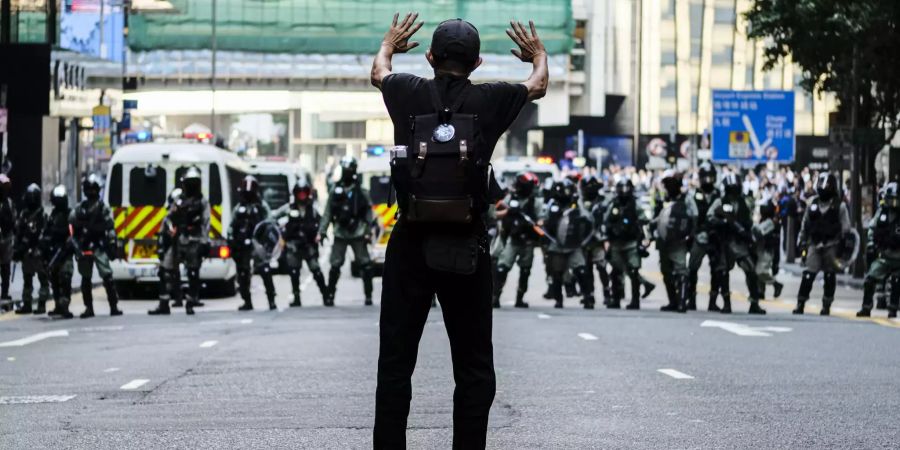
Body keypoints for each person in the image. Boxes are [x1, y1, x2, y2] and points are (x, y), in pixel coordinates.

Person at [370, 13, 546, 449]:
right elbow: (538, 84)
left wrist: (390, 43)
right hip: (466, 245)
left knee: (395, 365)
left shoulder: (406, 90)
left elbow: (379, 72)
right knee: (472, 367)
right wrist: (537, 54)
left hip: (410, 240)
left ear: (430, 56)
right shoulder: (491, 99)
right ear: (478, 62)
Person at [318, 155, 375, 306]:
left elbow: (369, 212)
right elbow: (328, 213)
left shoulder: (361, 191)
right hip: (340, 233)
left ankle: (368, 296)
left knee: (365, 264)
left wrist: (368, 230)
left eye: (350, 169)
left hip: (358, 232)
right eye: (345, 169)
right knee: (335, 265)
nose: (347, 172)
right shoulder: (335, 190)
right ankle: (330, 296)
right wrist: (322, 231)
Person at [707, 173, 766, 315]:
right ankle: (726, 303)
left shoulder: (744, 202)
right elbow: (710, 217)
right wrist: (724, 222)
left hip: (740, 243)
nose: (733, 191)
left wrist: (746, 232)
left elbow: (749, 220)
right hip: (725, 241)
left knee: (750, 271)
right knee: (722, 272)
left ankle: (754, 303)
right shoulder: (720, 202)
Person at [794, 173, 850, 316]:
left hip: (831, 244)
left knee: (830, 276)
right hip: (814, 244)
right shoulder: (812, 203)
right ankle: (800, 303)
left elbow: (846, 229)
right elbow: (805, 225)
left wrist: (843, 250)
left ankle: (826, 304)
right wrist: (802, 242)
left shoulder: (840, 206)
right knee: (808, 274)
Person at [72, 173, 121, 318]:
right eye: (89, 189)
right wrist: (77, 245)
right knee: (85, 278)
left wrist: (112, 243)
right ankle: (89, 308)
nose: (92, 192)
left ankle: (113, 306)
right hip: (85, 246)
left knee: (107, 276)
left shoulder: (103, 208)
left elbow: (110, 227)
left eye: (94, 189)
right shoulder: (80, 208)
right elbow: (73, 226)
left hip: (99, 246)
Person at [543, 178, 594, 309]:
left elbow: (587, 220)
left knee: (581, 270)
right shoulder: (552, 205)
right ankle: (558, 299)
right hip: (556, 244)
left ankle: (588, 297)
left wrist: (583, 239)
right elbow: (546, 224)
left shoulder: (576, 204)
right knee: (557, 273)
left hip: (574, 244)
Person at [492, 172, 541, 308]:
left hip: (527, 242)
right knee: (502, 268)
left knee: (525, 271)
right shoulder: (510, 198)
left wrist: (537, 223)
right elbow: (494, 214)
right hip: (511, 240)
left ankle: (520, 298)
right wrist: (508, 212)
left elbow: (542, 219)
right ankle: (495, 297)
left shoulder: (535, 201)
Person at [229, 175, 276, 311]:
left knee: (265, 270)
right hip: (243, 245)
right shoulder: (239, 208)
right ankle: (247, 301)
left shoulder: (262, 206)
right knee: (243, 273)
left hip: (258, 244)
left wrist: (265, 240)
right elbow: (231, 226)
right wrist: (232, 240)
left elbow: (270, 222)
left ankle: (271, 300)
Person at [604, 178, 651, 310]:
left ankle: (635, 300)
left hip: (631, 243)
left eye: (626, 188)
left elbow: (644, 222)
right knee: (615, 272)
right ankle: (616, 299)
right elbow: (606, 222)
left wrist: (645, 239)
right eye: (621, 188)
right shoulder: (613, 204)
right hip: (616, 243)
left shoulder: (635, 205)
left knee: (633, 271)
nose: (624, 191)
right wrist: (607, 238)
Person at [652, 171, 695, 312]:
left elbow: (694, 217)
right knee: (666, 271)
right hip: (663, 241)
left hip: (679, 240)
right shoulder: (662, 201)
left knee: (681, 270)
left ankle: (682, 301)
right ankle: (673, 301)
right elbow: (657, 219)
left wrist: (690, 236)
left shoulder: (686, 199)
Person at [280, 179, 328, 307]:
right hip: (294, 246)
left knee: (316, 270)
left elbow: (322, 222)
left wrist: (320, 235)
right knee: (294, 272)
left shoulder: (313, 210)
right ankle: (296, 298)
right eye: (299, 192)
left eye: (304, 192)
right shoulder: (288, 208)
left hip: (309, 246)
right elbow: (274, 217)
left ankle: (326, 295)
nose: (302, 195)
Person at [858, 182, 900, 318]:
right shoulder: (882, 212)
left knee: (896, 281)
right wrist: (872, 244)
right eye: (891, 199)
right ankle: (866, 307)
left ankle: (893, 308)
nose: (894, 203)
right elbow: (872, 228)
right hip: (884, 257)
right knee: (870, 279)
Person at [686, 162, 722, 311]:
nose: (708, 180)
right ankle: (691, 299)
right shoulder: (693, 195)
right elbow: (690, 216)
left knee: (717, 270)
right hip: (698, 236)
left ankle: (713, 301)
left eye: (710, 177)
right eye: (705, 177)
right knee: (692, 269)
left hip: (715, 237)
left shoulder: (719, 195)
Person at [13, 184, 49, 314]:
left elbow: (43, 233)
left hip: (38, 251)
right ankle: (27, 304)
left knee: (43, 279)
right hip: (27, 252)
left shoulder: (42, 215)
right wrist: (17, 248)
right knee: (27, 279)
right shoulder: (24, 214)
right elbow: (19, 232)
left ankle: (42, 304)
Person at [149, 188, 185, 315]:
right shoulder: (180, 215)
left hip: (173, 248)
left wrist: (162, 249)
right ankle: (179, 298)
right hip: (177, 248)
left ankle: (164, 305)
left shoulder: (173, 217)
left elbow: (169, 233)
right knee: (175, 273)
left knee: (164, 273)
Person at [42, 185, 75, 319]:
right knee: (54, 279)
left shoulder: (70, 214)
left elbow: (73, 232)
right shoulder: (52, 216)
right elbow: (47, 232)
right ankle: (57, 305)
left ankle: (65, 306)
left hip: (65, 253)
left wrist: (68, 244)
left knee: (65, 278)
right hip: (53, 252)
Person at [580, 175, 612, 305]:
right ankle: (589, 294)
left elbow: (607, 219)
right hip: (584, 240)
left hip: (598, 238)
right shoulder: (580, 202)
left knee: (601, 267)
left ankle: (607, 293)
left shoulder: (603, 201)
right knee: (586, 269)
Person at [753, 201, 784, 299]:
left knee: (761, 271)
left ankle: (776, 284)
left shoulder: (772, 222)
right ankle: (760, 291)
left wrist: (776, 262)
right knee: (757, 271)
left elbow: (759, 232)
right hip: (760, 248)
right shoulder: (764, 220)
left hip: (767, 250)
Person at [0, 174, 14, 306]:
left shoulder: (9, 202)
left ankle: (4, 292)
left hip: (6, 239)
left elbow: (12, 220)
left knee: (6, 268)